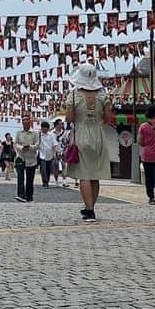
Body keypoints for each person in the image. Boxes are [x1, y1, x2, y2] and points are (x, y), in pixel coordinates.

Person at [64, 63, 114, 221]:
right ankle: (91, 206)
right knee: (95, 174)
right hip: (98, 135)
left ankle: (89, 209)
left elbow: (69, 118)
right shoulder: (103, 96)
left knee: (84, 174)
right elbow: (108, 118)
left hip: (81, 134)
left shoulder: (73, 96)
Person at [14, 114, 38, 203]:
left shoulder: (35, 133)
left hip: (31, 158)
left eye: (27, 120)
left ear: (30, 121)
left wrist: (30, 147)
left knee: (29, 179)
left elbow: (38, 145)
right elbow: (15, 143)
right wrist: (21, 148)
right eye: (23, 120)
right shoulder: (18, 132)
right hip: (21, 157)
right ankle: (20, 195)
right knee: (20, 177)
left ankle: (29, 196)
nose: (25, 121)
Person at [37, 121, 58, 189]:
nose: (44, 129)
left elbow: (54, 144)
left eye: (46, 128)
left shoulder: (51, 135)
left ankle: (47, 181)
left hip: (50, 155)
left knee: (49, 170)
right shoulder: (39, 135)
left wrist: (54, 153)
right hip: (42, 155)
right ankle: (45, 183)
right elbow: (37, 144)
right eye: (43, 128)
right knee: (43, 169)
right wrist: (39, 136)